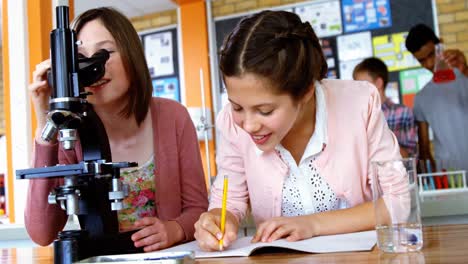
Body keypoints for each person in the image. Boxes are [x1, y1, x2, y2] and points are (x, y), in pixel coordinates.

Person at [194, 10, 404, 251]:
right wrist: (218, 219)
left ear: (305, 92)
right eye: (237, 106)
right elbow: (229, 201)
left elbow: (398, 200)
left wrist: (312, 224)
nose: (249, 125)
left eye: (265, 111)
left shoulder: (360, 102)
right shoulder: (231, 124)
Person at [26, 7, 208, 252]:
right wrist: (45, 123)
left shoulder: (173, 117)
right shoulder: (72, 133)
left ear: (132, 55)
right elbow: (42, 232)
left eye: (105, 52)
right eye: (82, 57)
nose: (94, 66)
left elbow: (198, 209)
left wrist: (175, 229)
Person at [405, 24, 468, 169]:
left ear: (440, 44)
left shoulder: (464, 77)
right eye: (422, 60)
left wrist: (465, 70)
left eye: (431, 54)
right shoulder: (421, 98)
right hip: (451, 178)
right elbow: (425, 150)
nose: (429, 63)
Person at [353, 57, 417, 158]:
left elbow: (409, 159)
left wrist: (378, 130)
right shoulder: (356, 116)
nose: (357, 91)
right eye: (355, 86)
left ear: (378, 83)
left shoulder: (403, 112)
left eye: (362, 85)